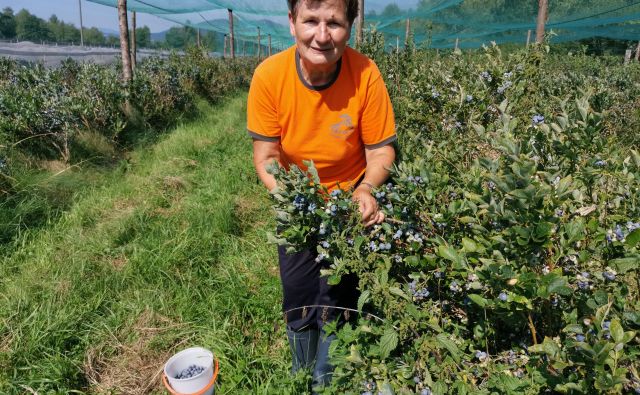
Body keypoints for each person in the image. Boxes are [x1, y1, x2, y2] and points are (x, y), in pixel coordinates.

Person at [246, 0, 396, 390]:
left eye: (335, 22)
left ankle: (323, 377)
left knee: (338, 292)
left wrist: (365, 189)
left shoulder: (365, 74)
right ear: (292, 23)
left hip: (347, 200)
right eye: (311, 20)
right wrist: (296, 202)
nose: (322, 34)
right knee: (297, 292)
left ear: (350, 27)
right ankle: (300, 373)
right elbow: (266, 158)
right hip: (297, 199)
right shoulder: (270, 76)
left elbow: (380, 151)